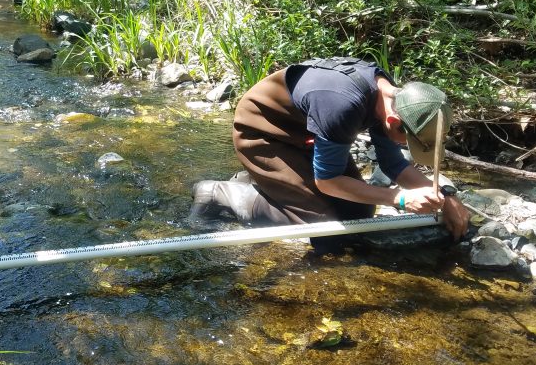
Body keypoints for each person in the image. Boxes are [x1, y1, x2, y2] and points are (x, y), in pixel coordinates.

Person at [191, 57, 469, 241]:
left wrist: (446, 197)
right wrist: (399, 199)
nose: (405, 146)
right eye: (406, 141)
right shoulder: (342, 105)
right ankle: (223, 193)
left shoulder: (393, 99)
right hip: (262, 132)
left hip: (307, 133)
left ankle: (265, 180)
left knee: (358, 213)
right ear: (395, 122)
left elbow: (393, 164)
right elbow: (328, 181)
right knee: (322, 225)